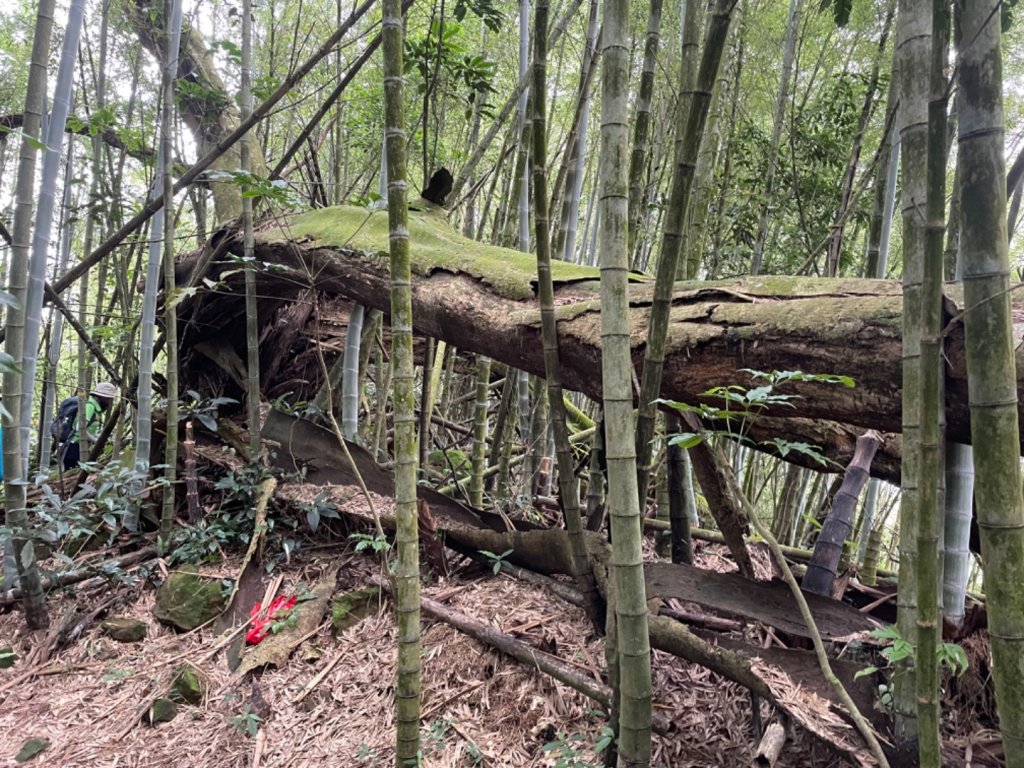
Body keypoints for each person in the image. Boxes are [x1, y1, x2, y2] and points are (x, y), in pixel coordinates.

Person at [59, 382, 117, 471]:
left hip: (79, 447)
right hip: (74, 448)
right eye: (108, 399)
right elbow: (80, 429)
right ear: (102, 397)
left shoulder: (94, 408)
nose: (110, 401)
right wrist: (97, 441)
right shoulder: (90, 406)